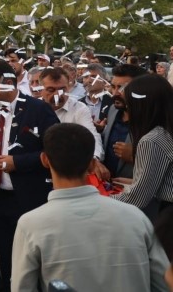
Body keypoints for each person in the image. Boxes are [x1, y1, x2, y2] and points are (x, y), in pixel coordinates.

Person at [12, 123, 169, 291]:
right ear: (92, 163)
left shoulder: (30, 225)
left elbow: (22, 287)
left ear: (45, 160)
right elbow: (164, 283)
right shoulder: (136, 217)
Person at [0, 60, 59, 289]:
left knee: (34, 261)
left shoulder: (38, 109)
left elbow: (56, 149)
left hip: (30, 199)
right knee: (6, 258)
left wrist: (18, 162)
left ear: (9, 83)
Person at [112, 74, 173, 213]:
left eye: (129, 104)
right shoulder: (166, 131)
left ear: (141, 106)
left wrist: (100, 201)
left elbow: (137, 198)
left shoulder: (152, 139)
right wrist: (135, 183)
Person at [101, 64, 147, 179]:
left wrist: (136, 156)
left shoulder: (152, 119)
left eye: (122, 88)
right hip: (107, 188)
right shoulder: (113, 110)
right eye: (113, 87)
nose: (115, 93)